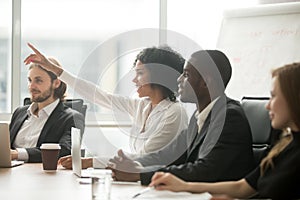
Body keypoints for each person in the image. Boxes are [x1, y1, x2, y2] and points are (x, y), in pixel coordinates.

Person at [149, 62, 300, 200]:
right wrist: (183, 186)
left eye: (273, 96)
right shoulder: (284, 145)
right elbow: (242, 187)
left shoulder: (229, 115)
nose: (267, 106)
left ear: (295, 98)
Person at [24, 43, 189, 168]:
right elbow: (98, 96)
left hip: (157, 186)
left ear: (158, 76)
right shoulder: (142, 106)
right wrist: (54, 69)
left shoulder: (174, 113)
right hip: (137, 181)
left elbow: (144, 158)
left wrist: (90, 162)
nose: (134, 80)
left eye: (140, 73)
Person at [107, 50, 254, 185]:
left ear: (205, 82)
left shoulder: (229, 117)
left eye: (186, 74)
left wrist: (140, 174)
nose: (179, 79)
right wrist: (131, 164)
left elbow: (205, 171)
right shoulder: (198, 118)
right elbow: (167, 156)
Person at [10, 57, 85, 163]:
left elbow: (65, 151)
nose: (31, 86)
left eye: (38, 80)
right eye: (30, 80)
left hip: (43, 175)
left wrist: (17, 154)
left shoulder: (72, 118)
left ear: (56, 83)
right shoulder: (19, 113)